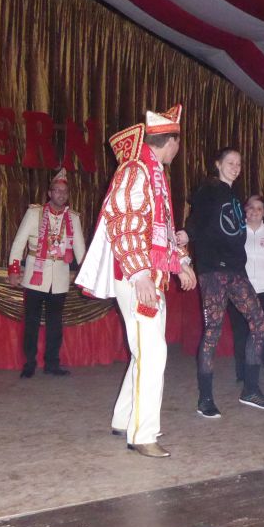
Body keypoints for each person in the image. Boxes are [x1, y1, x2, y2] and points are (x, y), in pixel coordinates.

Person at [76, 104, 196, 458]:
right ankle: (143, 434)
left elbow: (161, 231)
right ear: (171, 142)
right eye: (178, 142)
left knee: (146, 350)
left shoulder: (153, 172)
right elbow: (123, 222)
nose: (178, 148)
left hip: (147, 275)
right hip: (137, 277)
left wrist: (181, 263)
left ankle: (124, 417)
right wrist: (140, 274)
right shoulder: (136, 170)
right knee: (153, 353)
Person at [184, 148, 264, 417]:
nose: (235, 167)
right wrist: (187, 234)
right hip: (213, 269)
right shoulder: (209, 188)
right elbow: (198, 218)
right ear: (218, 164)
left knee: (260, 323)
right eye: (230, 162)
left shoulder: (235, 198)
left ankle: (250, 389)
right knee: (213, 330)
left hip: (236, 269)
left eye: (238, 163)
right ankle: (205, 398)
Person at [7, 169, 86, 377]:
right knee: (31, 322)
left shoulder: (73, 218)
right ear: (49, 193)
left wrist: (87, 276)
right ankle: (29, 364)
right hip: (35, 277)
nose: (61, 194)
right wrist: (14, 270)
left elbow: (80, 250)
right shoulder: (34, 213)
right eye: (57, 191)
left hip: (59, 278)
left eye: (64, 192)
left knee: (55, 324)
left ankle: (52, 363)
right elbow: (18, 244)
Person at [230, 195, 264, 385]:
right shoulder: (235, 233)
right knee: (241, 334)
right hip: (240, 292)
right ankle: (243, 374)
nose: (254, 211)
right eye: (251, 207)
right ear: (245, 210)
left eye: (259, 208)